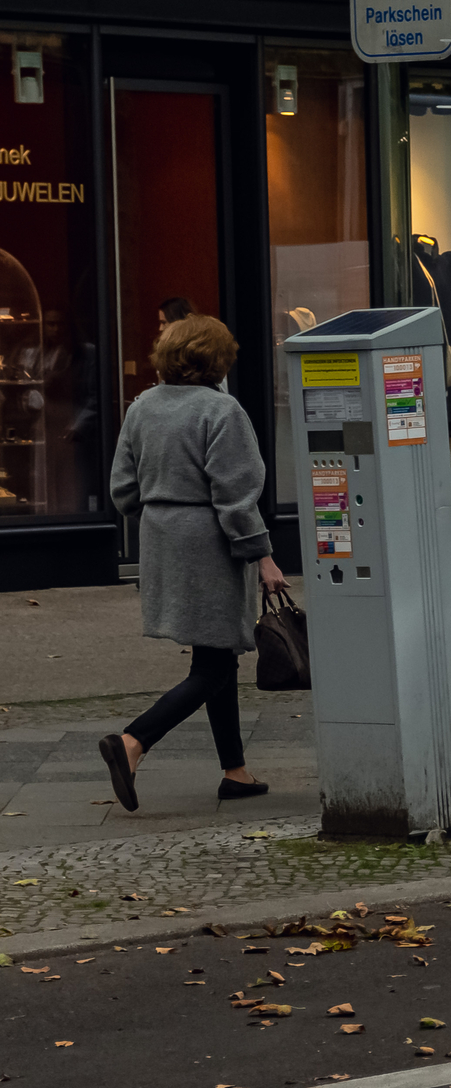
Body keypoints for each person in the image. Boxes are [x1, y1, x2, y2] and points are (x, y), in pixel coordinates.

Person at [98, 315, 287, 812]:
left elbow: (123, 489)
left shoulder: (142, 407)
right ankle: (133, 741)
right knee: (214, 662)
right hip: (212, 541)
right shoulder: (222, 411)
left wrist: (163, 512)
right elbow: (237, 498)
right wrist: (264, 558)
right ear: (218, 359)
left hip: (160, 539)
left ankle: (235, 772)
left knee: (216, 654)